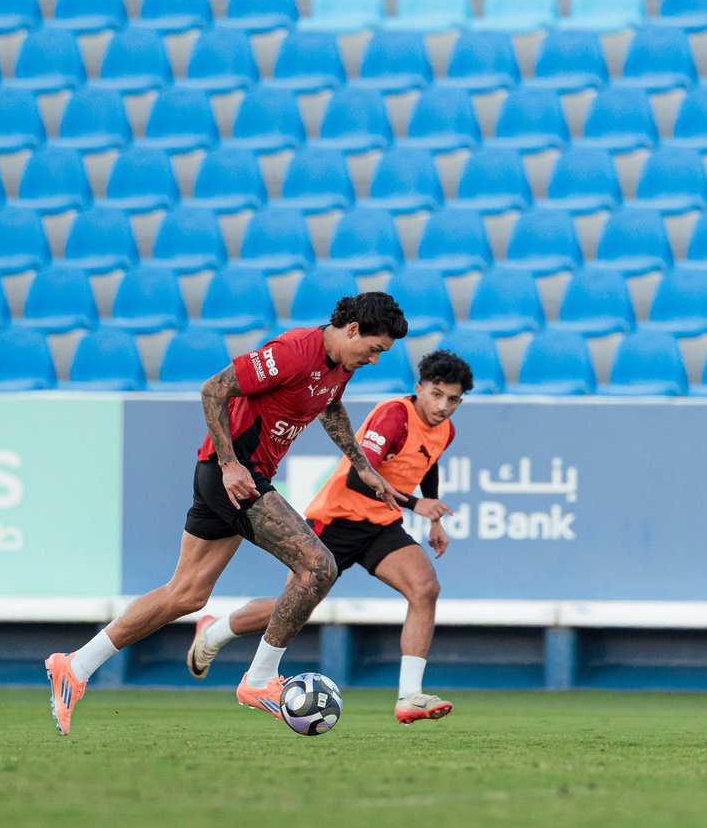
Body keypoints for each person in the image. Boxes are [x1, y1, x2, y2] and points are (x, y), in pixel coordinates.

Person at [45, 292, 409, 735]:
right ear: (353, 329)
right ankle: (258, 681)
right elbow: (214, 388)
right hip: (234, 477)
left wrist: (363, 466)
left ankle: (75, 666)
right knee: (318, 566)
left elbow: (328, 407)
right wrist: (229, 463)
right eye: (374, 349)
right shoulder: (293, 353)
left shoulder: (339, 366)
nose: (374, 360)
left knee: (186, 594)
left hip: (237, 477)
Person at [186, 349, 474, 724]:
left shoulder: (446, 430)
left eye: (453, 399)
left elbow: (427, 464)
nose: (443, 406)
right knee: (291, 608)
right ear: (419, 388)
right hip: (335, 519)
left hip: (379, 526)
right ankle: (215, 631)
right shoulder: (393, 416)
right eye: (436, 394)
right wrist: (417, 505)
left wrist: (433, 515)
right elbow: (359, 478)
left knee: (425, 588)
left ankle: (410, 696)